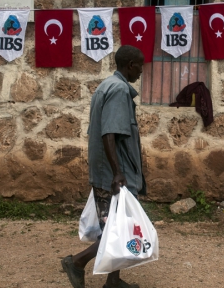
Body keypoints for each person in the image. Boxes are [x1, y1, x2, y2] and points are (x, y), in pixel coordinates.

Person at [61, 45, 145, 288]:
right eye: (139, 65)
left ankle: (113, 281)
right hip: (114, 175)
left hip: (107, 172)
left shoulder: (107, 86)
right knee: (119, 230)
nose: (141, 70)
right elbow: (109, 133)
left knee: (117, 226)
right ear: (130, 65)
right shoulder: (119, 90)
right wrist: (118, 172)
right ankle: (77, 262)